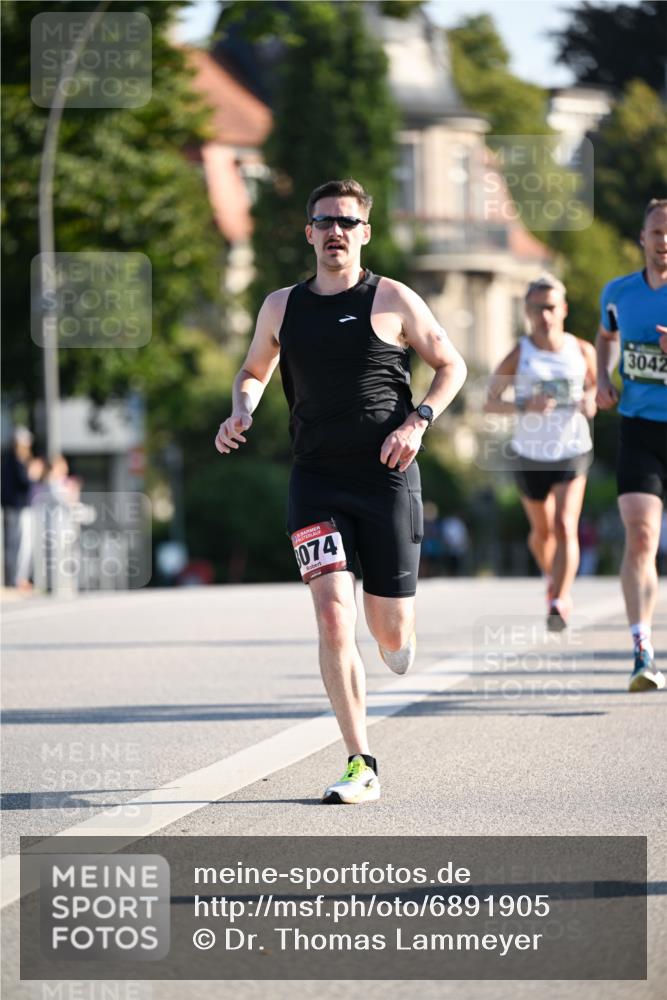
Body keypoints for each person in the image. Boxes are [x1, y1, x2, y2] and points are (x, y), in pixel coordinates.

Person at [215, 178, 466, 803]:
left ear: (364, 233)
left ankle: (398, 631)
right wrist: (240, 410)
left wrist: (419, 421)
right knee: (332, 616)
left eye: (347, 223)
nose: (335, 232)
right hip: (316, 480)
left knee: (389, 633)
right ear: (309, 232)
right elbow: (252, 370)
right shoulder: (281, 306)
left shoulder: (394, 298)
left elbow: (451, 365)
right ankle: (361, 761)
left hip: (386, 478)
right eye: (324, 221)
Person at [485, 275, 597, 630]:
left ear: (563, 309)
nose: (544, 315)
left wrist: (590, 402)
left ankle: (559, 601)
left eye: (550, 307)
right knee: (542, 533)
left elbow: (597, 390)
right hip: (530, 454)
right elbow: (489, 404)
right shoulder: (519, 354)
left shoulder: (582, 351)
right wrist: (525, 405)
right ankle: (554, 577)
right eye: (536, 308)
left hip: (571, 450)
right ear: (527, 311)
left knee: (566, 525)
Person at [596, 198, 667, 693]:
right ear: (642, 238)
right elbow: (606, 336)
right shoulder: (618, 293)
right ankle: (642, 648)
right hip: (639, 428)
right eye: (657, 232)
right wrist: (602, 376)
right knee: (641, 536)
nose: (664, 241)